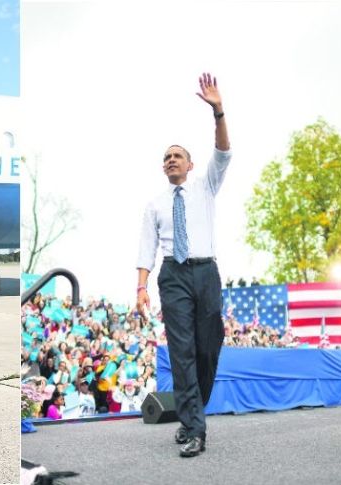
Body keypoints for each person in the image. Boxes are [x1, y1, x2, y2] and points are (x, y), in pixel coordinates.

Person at [135, 71, 231, 458]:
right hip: (172, 275)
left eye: (177, 156)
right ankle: (194, 428)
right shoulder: (155, 204)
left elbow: (224, 153)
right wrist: (140, 287)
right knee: (182, 353)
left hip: (205, 272)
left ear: (190, 165)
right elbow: (145, 249)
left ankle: (195, 411)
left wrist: (218, 111)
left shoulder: (206, 186)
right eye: (166, 157)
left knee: (208, 350)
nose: (171, 160)